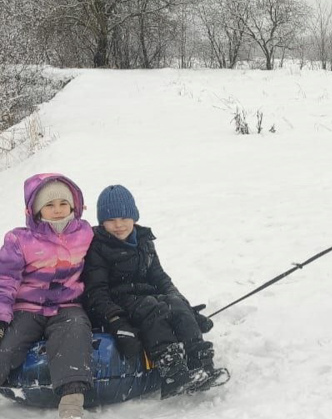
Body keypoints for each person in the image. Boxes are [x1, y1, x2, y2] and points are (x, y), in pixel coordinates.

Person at [82, 185, 220, 399]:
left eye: (124, 218)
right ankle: (172, 369)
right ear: (102, 222)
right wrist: (115, 319)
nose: (118, 225)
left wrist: (187, 307)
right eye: (111, 220)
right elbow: (96, 291)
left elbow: (160, 278)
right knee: (152, 309)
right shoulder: (98, 247)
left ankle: (199, 359)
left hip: (146, 296)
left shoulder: (144, 241)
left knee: (175, 304)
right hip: (120, 301)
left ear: (134, 217)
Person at [0, 174, 94, 419]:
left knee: (75, 333)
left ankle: (71, 407)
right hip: (27, 308)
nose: (57, 210)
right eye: (49, 205)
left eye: (63, 203)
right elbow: (5, 279)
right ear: (36, 210)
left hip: (68, 305)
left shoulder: (85, 234)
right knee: (6, 346)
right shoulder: (19, 240)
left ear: (74, 205)